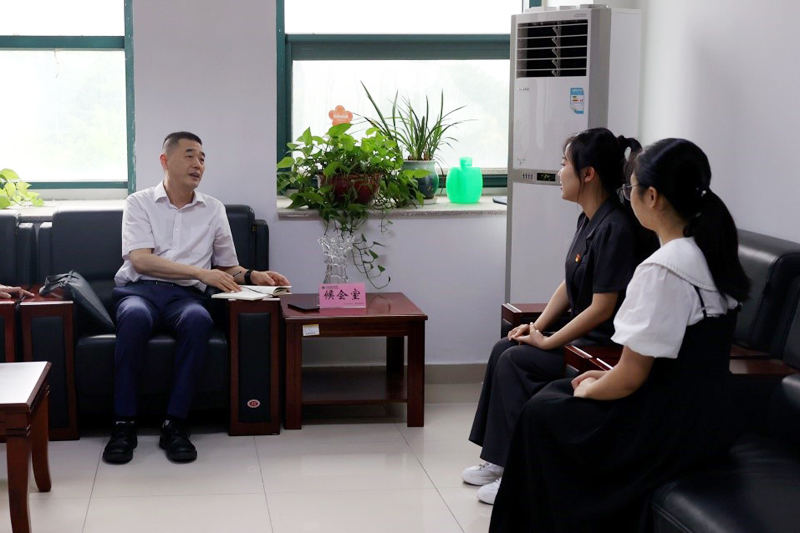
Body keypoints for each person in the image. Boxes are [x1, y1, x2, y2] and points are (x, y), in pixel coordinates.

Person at [490, 138, 750, 532]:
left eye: (632, 189)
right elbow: (667, 363)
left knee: (543, 413)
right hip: (707, 420)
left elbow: (630, 377)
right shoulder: (711, 255)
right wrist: (602, 378)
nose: (627, 197)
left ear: (653, 197)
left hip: (663, 426)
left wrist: (590, 389)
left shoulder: (662, 269)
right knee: (556, 396)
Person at [464, 128, 654, 504]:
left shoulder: (615, 228)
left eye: (565, 163)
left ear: (588, 174)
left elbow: (602, 308)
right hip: (581, 338)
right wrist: (535, 327)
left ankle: (516, 474)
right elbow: (568, 284)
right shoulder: (589, 219)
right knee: (505, 348)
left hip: (600, 345)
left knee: (516, 362)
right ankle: (499, 460)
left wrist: (549, 342)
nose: (559, 172)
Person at [102, 131, 290, 465]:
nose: (198, 164)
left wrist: (253, 275)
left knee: (199, 320)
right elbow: (141, 260)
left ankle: (175, 424)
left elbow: (227, 266)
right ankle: (123, 425)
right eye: (190, 155)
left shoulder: (213, 209)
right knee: (133, 317)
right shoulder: (139, 203)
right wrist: (201, 273)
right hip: (140, 291)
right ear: (165, 160)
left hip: (186, 297)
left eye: (202, 158)